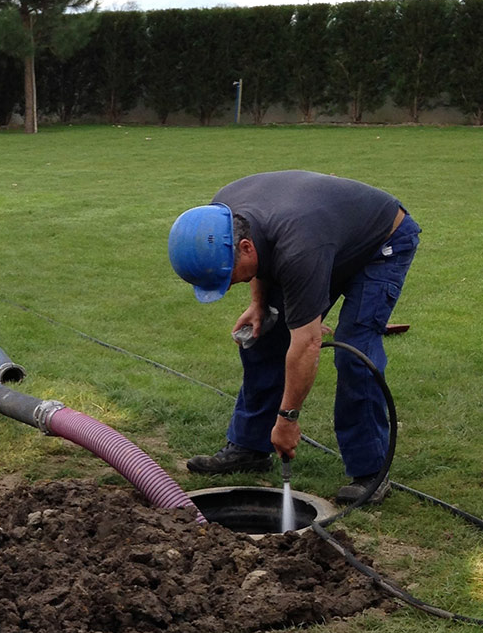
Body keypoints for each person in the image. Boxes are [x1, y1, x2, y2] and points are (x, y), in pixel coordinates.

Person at [167, 170, 421, 504]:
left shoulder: (299, 248)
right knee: (265, 332)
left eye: (227, 277)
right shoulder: (223, 216)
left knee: (355, 348)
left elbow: (307, 343)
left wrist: (288, 420)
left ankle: (370, 471)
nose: (228, 285)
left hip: (380, 243)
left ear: (244, 248)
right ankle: (249, 447)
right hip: (324, 237)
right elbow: (260, 257)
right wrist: (258, 304)